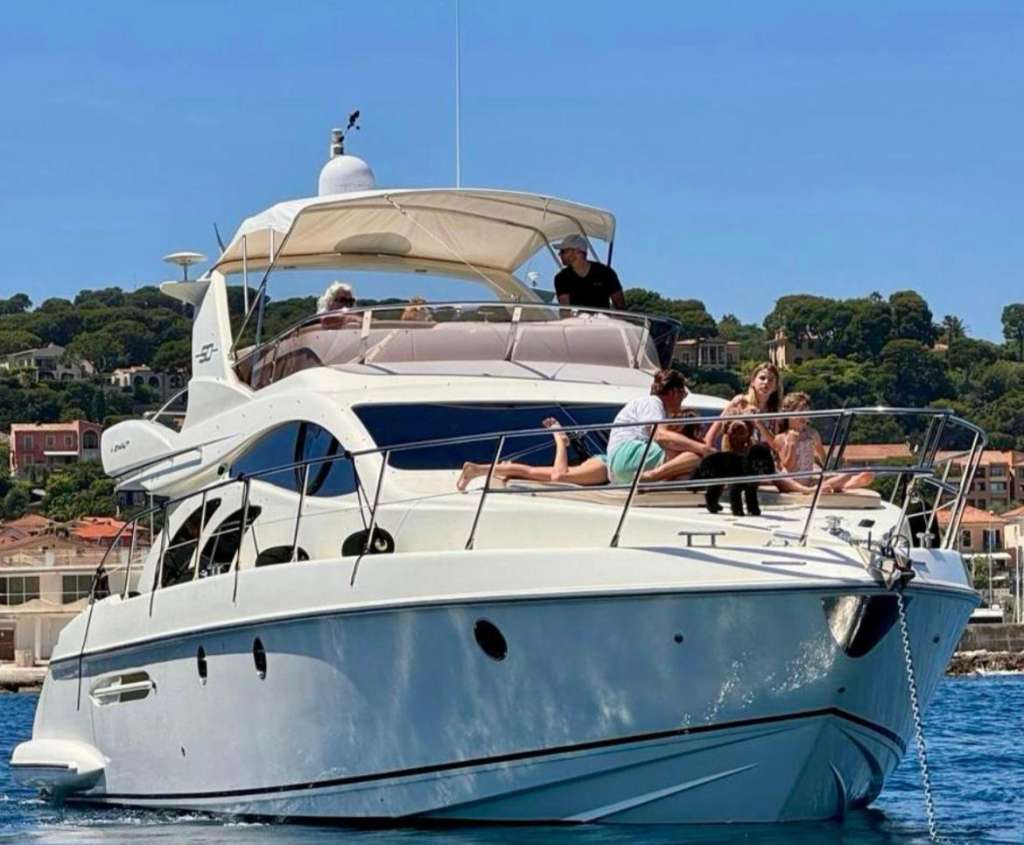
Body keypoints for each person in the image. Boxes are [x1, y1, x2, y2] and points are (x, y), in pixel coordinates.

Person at [605, 369, 713, 485]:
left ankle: (656, 481)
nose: (683, 399)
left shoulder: (658, 410)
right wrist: (702, 448)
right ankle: (652, 476)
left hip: (619, 469)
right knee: (691, 454)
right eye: (683, 394)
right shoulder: (652, 402)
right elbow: (660, 435)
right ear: (674, 392)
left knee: (686, 465)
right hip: (626, 458)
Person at [456, 418, 609, 491]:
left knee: (530, 472)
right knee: (559, 476)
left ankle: (477, 470)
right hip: (605, 465)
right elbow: (559, 476)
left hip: (602, 463)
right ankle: (560, 439)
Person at [775, 392, 874, 493]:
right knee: (785, 479)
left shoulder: (812, 433)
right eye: (800, 412)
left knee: (846, 475)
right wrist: (792, 444)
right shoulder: (781, 438)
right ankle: (846, 485)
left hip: (809, 479)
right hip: (792, 482)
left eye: (807, 413)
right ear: (788, 413)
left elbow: (823, 458)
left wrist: (830, 473)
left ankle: (843, 484)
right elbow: (788, 466)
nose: (804, 416)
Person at [704, 362, 784, 450]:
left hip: (765, 456)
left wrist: (758, 422)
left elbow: (777, 446)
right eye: (762, 378)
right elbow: (710, 437)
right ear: (753, 382)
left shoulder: (775, 411)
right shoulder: (739, 403)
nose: (766, 382)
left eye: (771, 380)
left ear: (775, 387)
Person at [552, 234, 625, 310]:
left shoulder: (606, 273)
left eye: (563, 251)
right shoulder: (561, 278)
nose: (559, 254)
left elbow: (620, 305)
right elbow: (565, 309)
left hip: (602, 317)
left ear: (577, 251)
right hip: (576, 318)